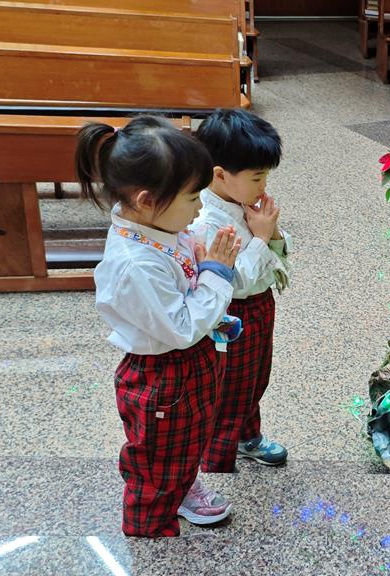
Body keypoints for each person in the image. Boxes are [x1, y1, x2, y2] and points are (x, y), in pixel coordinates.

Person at [76, 116, 242, 537]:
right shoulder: (136, 264)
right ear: (148, 200)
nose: (200, 209)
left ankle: (181, 484)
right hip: (165, 376)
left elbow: (181, 297)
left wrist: (208, 293)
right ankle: (150, 525)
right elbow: (181, 326)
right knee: (157, 458)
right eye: (193, 198)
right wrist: (216, 275)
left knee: (184, 442)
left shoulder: (158, 225)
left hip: (186, 363)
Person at [191, 109, 291, 471]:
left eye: (266, 176)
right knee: (232, 385)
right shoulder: (208, 220)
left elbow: (278, 250)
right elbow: (233, 281)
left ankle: (248, 436)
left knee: (256, 377)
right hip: (233, 312)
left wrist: (272, 233)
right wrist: (262, 238)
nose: (263, 186)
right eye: (257, 177)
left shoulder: (242, 201)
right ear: (219, 174)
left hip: (260, 305)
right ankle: (217, 459)